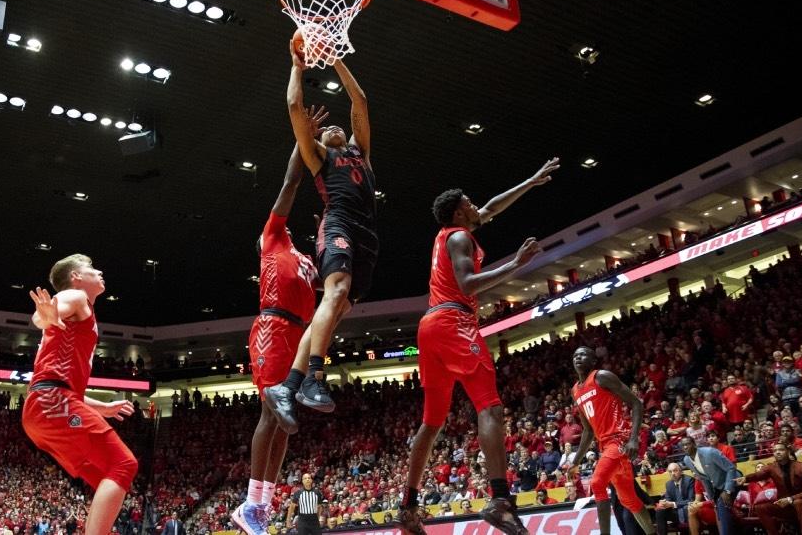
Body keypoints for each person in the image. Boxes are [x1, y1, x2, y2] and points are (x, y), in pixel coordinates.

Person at [396, 163, 560, 535]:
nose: (477, 206)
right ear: (458, 212)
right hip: (455, 321)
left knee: (432, 422)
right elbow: (468, 284)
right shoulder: (459, 239)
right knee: (490, 406)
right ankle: (501, 500)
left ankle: (407, 506)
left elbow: (493, 207)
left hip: (430, 326)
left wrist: (530, 182)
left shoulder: (450, 233)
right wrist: (516, 264)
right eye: (470, 203)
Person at [266, 38, 375, 417]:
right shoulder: (319, 157)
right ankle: (314, 377)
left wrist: (337, 60)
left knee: (337, 307)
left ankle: (289, 387)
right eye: (324, 128)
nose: (331, 128)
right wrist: (297, 66)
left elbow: (359, 101)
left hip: (368, 237)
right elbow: (295, 106)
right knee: (337, 290)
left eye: (335, 126)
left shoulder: (360, 151)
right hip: (339, 223)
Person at [232, 137, 324, 535]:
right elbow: (289, 183)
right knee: (272, 408)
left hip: (299, 334)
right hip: (272, 327)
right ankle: (250, 504)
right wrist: (302, 141)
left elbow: (328, 275)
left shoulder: (304, 260)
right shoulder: (273, 241)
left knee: (284, 422)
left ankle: (261, 505)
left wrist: (327, 231)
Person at [24, 256, 138, 535]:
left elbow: (64, 386)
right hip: (52, 401)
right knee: (124, 464)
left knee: (108, 480)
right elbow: (43, 314)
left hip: (48, 404)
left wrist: (103, 407)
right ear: (75, 276)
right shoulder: (75, 296)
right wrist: (45, 318)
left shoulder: (81, 314)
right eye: (92, 269)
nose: (100, 271)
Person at [569, 347, 656, 534]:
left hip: (619, 440)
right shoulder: (575, 390)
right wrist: (575, 461)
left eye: (583, 355)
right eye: (575, 355)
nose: (578, 358)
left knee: (597, 483)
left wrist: (633, 439)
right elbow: (588, 430)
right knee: (629, 500)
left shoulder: (602, 376)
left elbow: (636, 403)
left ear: (593, 361)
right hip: (604, 446)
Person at [739, 441, 802, 534]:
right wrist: (745, 478)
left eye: (781, 450)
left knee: (798, 502)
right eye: (775, 450)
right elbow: (759, 474)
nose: (777, 452)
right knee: (759, 508)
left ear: (788, 451)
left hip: (801, 504)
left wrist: (790, 499)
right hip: (783, 505)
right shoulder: (772, 467)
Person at [679, 436, 741, 535]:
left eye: (688, 444)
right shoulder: (686, 460)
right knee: (719, 507)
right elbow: (703, 478)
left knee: (722, 504)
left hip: (734, 480)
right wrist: (712, 498)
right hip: (718, 486)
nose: (685, 447)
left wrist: (727, 491)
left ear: (694, 444)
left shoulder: (710, 452)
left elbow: (731, 468)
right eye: (683, 445)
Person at [654, 463, 695, 535]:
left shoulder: (689, 480)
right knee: (660, 511)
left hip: (687, 510)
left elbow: (691, 500)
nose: (672, 473)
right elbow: (668, 499)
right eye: (670, 471)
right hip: (676, 512)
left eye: (675, 470)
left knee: (687, 508)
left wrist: (673, 504)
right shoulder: (668, 484)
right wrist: (664, 502)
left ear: (681, 471)